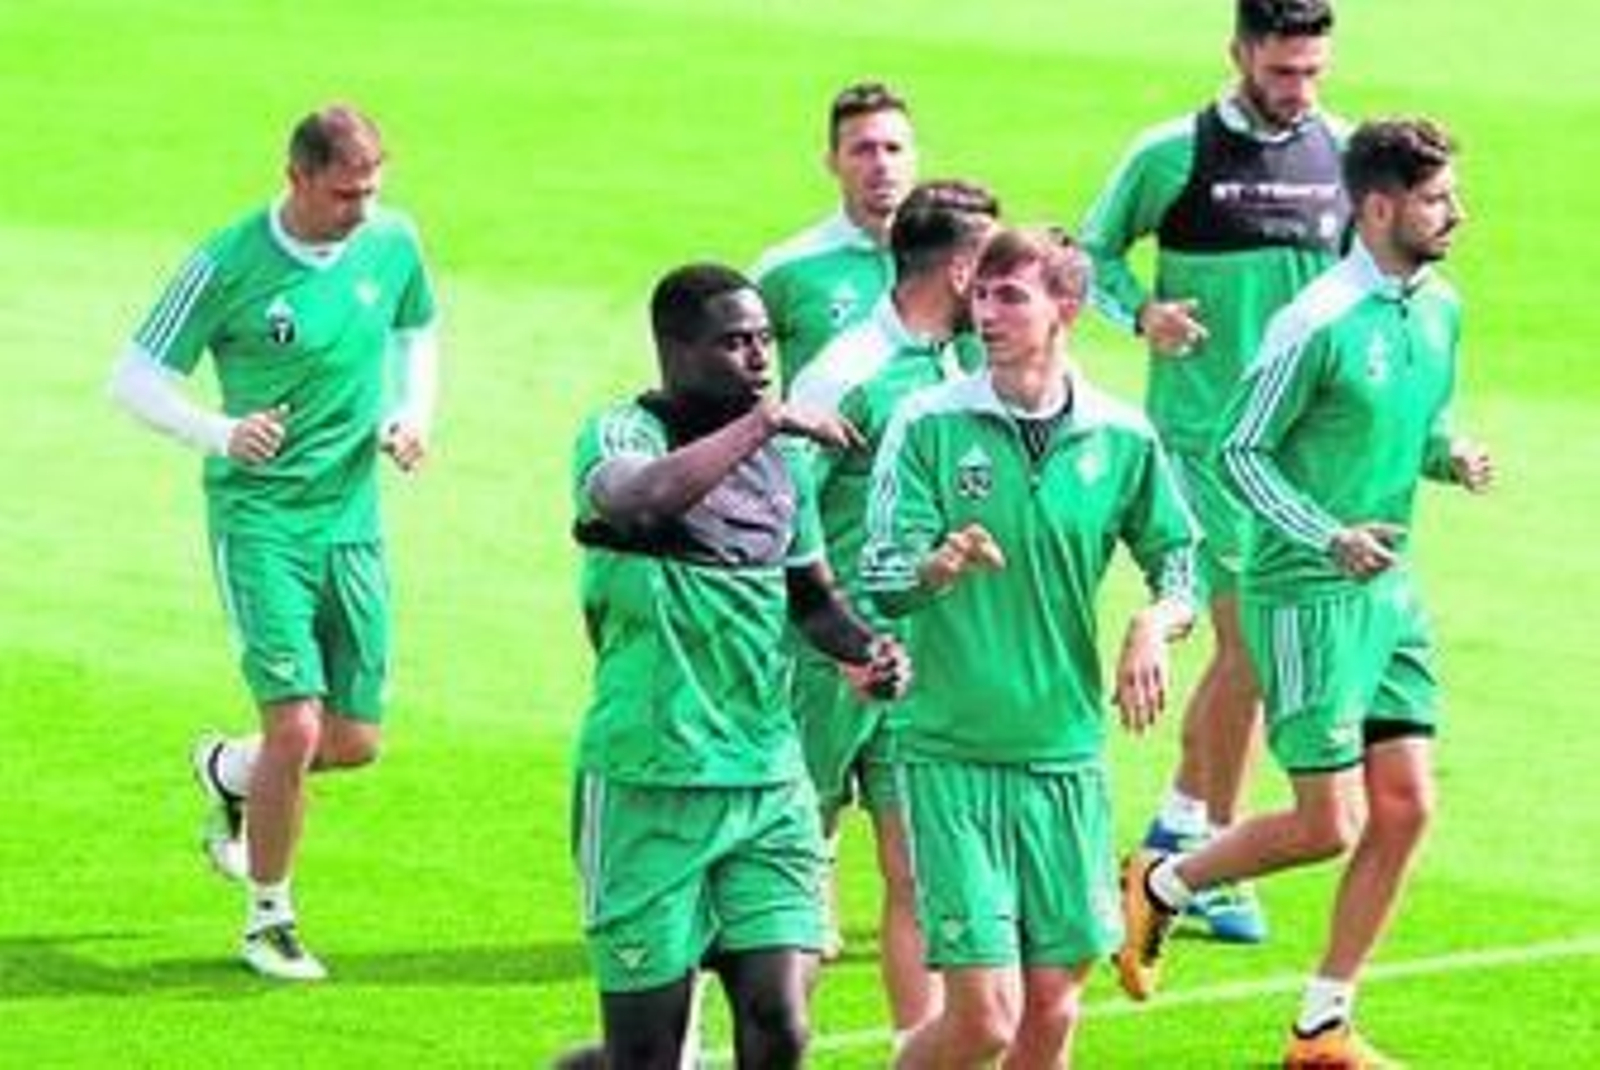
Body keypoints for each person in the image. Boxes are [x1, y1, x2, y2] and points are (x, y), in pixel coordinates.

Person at [1116, 118, 1492, 1068]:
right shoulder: (1315, 319)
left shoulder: (1439, 307)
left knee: (1406, 808)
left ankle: (1322, 1023)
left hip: (1388, 590)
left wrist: (1451, 455)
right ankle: (1166, 881)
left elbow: (1419, 419)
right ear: (1378, 205)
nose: (1459, 213)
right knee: (1331, 824)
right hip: (1308, 594)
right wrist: (1327, 534)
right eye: (1438, 198)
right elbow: (1238, 452)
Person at [107, 104, 438, 982]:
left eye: (371, 190)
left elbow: (417, 328)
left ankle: (229, 772)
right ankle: (268, 919)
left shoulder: (392, 241)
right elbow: (131, 378)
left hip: (354, 520)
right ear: (295, 178)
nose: (360, 210)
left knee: (354, 740)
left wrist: (412, 415)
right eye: (343, 194)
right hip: (262, 524)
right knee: (294, 725)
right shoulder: (226, 263)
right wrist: (219, 433)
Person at [862, 227, 1199, 1069]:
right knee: (985, 1021)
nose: (987, 312)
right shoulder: (928, 422)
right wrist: (935, 566)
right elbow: (879, 571)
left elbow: (1182, 559)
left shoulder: (1121, 437)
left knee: (1052, 1013)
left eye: (1011, 296)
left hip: (1063, 757)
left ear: (1067, 310)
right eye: (981, 295)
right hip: (950, 754)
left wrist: (1154, 623)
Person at [569, 263, 911, 1069]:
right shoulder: (623, 435)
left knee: (780, 1024)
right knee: (646, 1053)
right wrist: (763, 425)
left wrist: (869, 650)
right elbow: (636, 502)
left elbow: (812, 598)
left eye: (764, 339)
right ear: (676, 350)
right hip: (648, 779)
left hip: (766, 780)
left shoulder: (783, 464)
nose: (759, 357)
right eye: (734, 342)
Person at [1077, 0, 1348, 944]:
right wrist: (1141, 316)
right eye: (1281, 72)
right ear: (1238, 54)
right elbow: (1090, 256)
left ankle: (1181, 839)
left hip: (1298, 453)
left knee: (1253, 655)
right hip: (1201, 444)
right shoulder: (1173, 152)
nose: (1298, 91)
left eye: (1312, 70)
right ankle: (1199, 855)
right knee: (1255, 648)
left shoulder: (1344, 155)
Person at [788, 179, 1000, 1045]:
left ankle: (923, 1056)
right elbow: (783, 512)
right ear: (957, 271)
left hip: (919, 662)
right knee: (788, 875)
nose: (1002, 283)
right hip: (823, 663)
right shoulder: (847, 373)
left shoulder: (954, 366)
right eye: (992, 266)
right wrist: (837, 636)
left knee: (917, 873)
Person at [753, 81, 918, 390]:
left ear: (914, 158)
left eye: (893, 149)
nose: (882, 164)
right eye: (863, 150)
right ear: (833, 162)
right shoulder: (785, 269)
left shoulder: (947, 263)